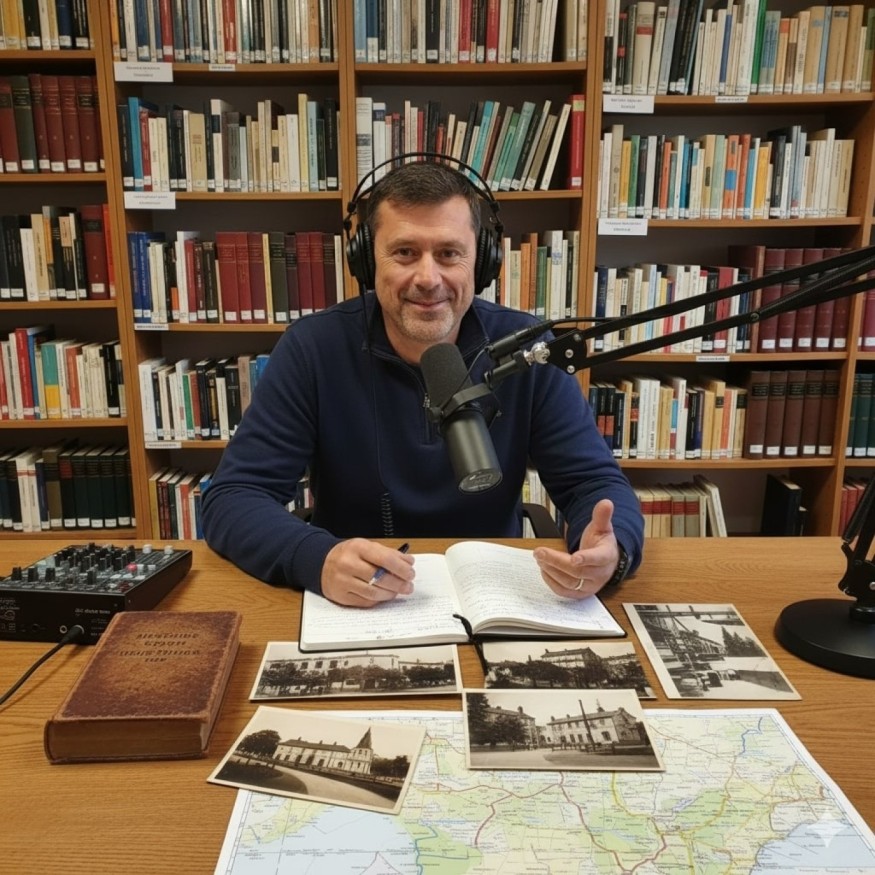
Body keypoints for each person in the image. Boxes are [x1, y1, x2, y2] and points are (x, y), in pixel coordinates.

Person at [201, 159, 644, 607]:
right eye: (405, 253)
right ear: (366, 260)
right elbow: (234, 497)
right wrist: (317, 558)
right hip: (357, 604)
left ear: (482, 261)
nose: (428, 279)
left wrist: (611, 548)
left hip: (494, 596)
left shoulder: (530, 350)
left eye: (449, 253)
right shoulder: (312, 348)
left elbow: (593, 482)